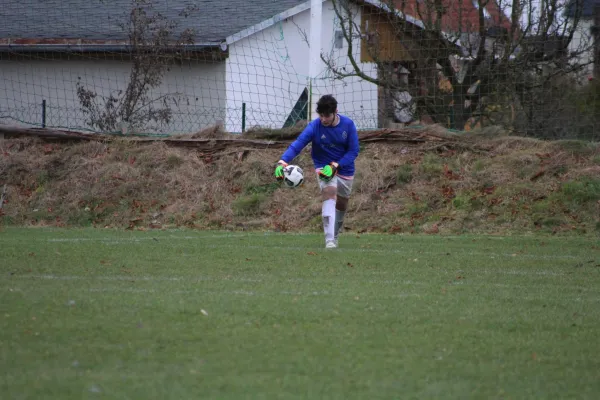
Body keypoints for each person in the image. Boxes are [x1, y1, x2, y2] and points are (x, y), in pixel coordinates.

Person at [274, 95, 359, 249]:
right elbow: (298, 144)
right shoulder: (314, 126)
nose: (323, 119)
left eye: (326, 116)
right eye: (321, 115)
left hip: (344, 167)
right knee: (330, 192)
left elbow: (354, 151)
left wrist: (337, 165)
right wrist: (282, 161)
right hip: (323, 165)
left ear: (335, 112)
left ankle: (335, 234)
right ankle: (329, 240)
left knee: (342, 203)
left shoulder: (348, 125)